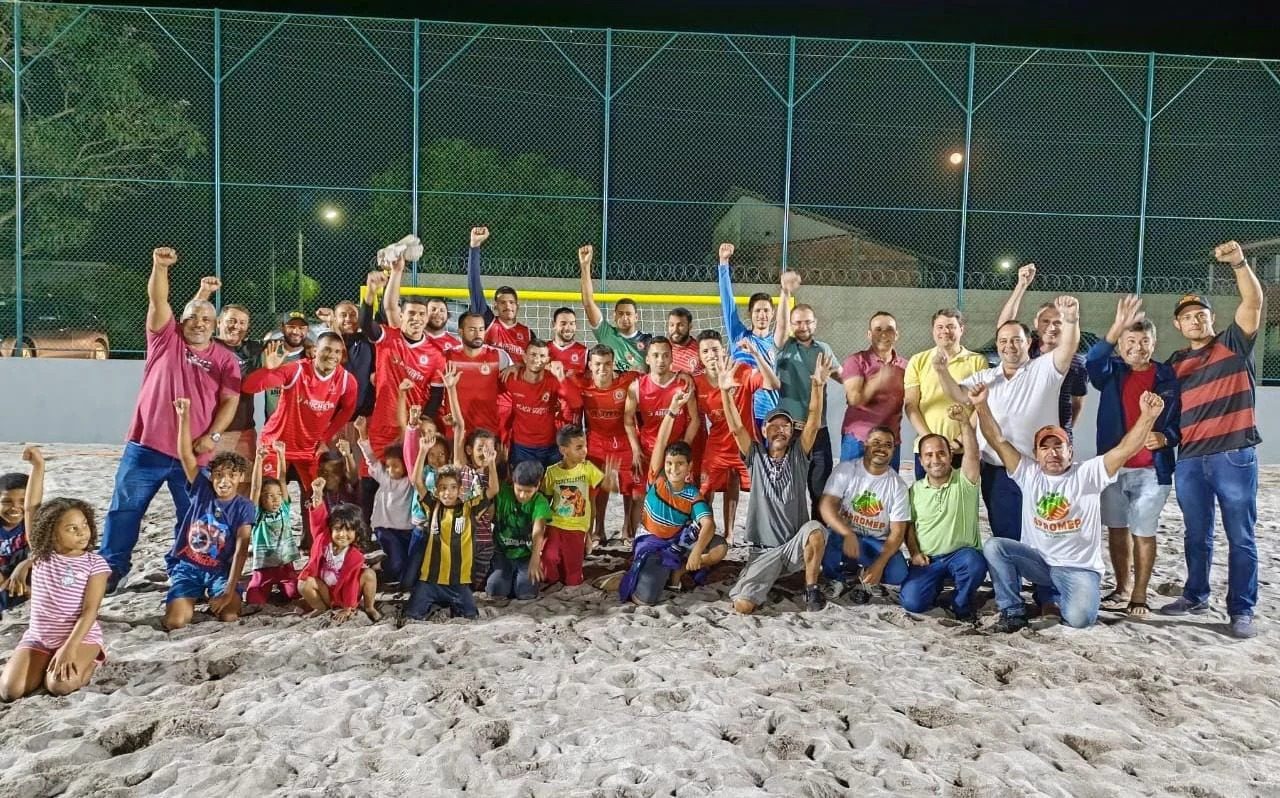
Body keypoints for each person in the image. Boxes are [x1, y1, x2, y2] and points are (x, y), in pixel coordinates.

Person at [100, 247, 242, 593]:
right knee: (124, 513)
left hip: (193, 455)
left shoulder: (225, 359)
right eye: (193, 317)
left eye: (206, 319)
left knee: (196, 518)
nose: (199, 323)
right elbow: (158, 301)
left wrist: (213, 436)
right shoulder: (165, 339)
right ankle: (111, 570)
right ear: (183, 320)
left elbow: (230, 401)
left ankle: (189, 569)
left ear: (215, 326)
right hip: (145, 448)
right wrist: (159, 268)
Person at [973, 383, 1165, 632]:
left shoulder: (1089, 473)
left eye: (1058, 446)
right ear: (1036, 454)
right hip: (1040, 564)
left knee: (1080, 620)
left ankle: (1062, 600)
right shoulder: (1028, 473)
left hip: (1078, 569)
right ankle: (1013, 610)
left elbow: (1125, 448)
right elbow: (997, 439)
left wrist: (1147, 417)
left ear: (1070, 451)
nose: (1052, 453)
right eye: (1045, 447)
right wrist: (980, 405)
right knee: (995, 546)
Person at [1159, 241, 1264, 639]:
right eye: (1187, 317)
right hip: (1190, 460)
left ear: (1212, 318)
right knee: (1196, 533)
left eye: (1201, 314)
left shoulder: (1234, 344)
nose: (1195, 321)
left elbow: (1252, 302)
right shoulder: (1175, 364)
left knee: (1241, 535)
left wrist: (1238, 264)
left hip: (1233, 455)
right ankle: (1195, 594)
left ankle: (1241, 609)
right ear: (1178, 326)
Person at [933, 296, 1081, 541]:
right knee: (1004, 532)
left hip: (1036, 468)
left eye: (1016, 340)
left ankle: (1040, 580)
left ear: (1028, 342)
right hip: (996, 470)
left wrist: (1072, 318)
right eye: (1003, 341)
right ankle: (1009, 579)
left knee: (1042, 532)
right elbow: (959, 395)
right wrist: (941, 371)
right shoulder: (987, 377)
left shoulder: (1045, 369)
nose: (1009, 346)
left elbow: (1068, 347)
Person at [1087, 295, 1180, 618]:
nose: (1137, 347)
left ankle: (1139, 594)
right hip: (1113, 466)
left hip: (1152, 471)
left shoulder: (1168, 376)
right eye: (1130, 341)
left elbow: (1182, 422)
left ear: (1153, 343)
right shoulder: (1111, 371)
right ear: (1121, 345)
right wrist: (1116, 327)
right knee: (1116, 528)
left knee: (1143, 530)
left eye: (1144, 341)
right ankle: (1122, 586)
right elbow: (1092, 362)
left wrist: (1166, 437)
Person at [725, 350, 834, 614]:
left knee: (816, 529)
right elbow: (737, 428)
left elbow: (812, 421)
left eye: (785, 426)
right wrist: (725, 393)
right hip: (764, 551)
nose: (780, 429)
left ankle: (811, 590)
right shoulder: (755, 457)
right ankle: (759, 580)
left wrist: (818, 386)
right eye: (774, 425)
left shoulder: (799, 456)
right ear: (764, 430)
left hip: (794, 547)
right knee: (742, 606)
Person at [0, 446, 110, 701]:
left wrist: (69, 649)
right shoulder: (41, 554)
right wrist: (39, 467)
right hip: (39, 637)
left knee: (58, 686)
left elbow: (89, 612)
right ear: (51, 533)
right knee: (10, 691)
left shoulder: (95, 564)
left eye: (84, 525)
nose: (82, 533)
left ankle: (92, 659)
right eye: (72, 528)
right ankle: (44, 660)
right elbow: (31, 508)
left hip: (79, 637)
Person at [242, 332, 357, 548]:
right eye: (326, 349)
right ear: (315, 351)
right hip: (277, 444)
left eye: (337, 351)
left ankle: (313, 543)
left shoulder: (346, 381)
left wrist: (325, 437)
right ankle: (268, 546)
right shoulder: (296, 370)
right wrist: (268, 370)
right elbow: (249, 387)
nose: (331, 355)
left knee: (316, 496)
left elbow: (347, 410)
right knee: (270, 496)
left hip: (309, 448)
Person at [619, 389, 727, 605]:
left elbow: (708, 524)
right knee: (645, 599)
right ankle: (661, 572)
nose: (673, 468)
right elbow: (660, 443)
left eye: (679, 464)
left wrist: (696, 553)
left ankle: (678, 572)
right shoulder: (657, 480)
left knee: (720, 548)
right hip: (652, 543)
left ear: (689, 467)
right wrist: (672, 412)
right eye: (669, 463)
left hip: (679, 543)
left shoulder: (691, 494)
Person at [164, 398, 256, 631]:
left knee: (229, 615)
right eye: (219, 475)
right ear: (211, 476)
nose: (224, 481)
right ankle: (188, 595)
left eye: (231, 476)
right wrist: (184, 417)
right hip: (189, 566)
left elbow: (241, 550)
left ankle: (219, 594)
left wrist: (228, 591)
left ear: (240, 478)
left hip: (219, 571)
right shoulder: (202, 490)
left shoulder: (243, 507)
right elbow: (186, 455)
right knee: (175, 622)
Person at [900, 405, 988, 620]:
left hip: (961, 555)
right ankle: (937, 584)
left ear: (950, 456)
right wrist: (914, 553)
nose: (935, 459)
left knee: (974, 563)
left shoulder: (965, 481)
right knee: (912, 602)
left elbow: (973, 453)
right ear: (921, 461)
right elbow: (908, 527)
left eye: (941, 453)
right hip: (928, 561)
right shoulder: (914, 490)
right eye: (928, 455)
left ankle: (961, 602)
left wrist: (965, 422)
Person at [362, 254, 445, 477]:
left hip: (410, 429)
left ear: (427, 319)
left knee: (410, 481)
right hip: (381, 425)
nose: (416, 318)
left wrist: (421, 423)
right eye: (411, 313)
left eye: (421, 314)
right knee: (377, 481)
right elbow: (365, 324)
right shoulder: (388, 337)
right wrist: (370, 294)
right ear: (402, 315)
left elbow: (436, 395)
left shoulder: (436, 354)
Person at [692, 333, 779, 541]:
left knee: (762, 494)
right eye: (705, 351)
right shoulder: (696, 383)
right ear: (700, 357)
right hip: (717, 445)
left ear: (723, 350)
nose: (711, 355)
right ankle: (706, 531)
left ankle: (733, 533)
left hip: (746, 445)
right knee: (704, 491)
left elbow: (773, 383)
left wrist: (757, 354)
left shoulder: (742, 371)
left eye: (715, 349)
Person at [773, 272, 839, 517]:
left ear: (815, 323)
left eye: (808, 322)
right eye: (798, 322)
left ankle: (817, 539)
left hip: (819, 431)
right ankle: (790, 540)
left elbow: (844, 377)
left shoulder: (825, 349)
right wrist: (785, 292)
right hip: (791, 432)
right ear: (792, 325)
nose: (803, 326)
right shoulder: (783, 346)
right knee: (790, 491)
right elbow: (779, 326)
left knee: (820, 490)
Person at [995, 263, 1090, 435]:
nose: (1051, 327)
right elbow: (1004, 328)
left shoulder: (1076, 362)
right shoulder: (1026, 352)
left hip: (1055, 438)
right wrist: (1021, 286)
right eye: (1045, 321)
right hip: (1022, 434)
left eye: (1057, 322)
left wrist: (1063, 431)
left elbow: (1078, 402)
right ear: (1036, 323)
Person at [818, 426, 911, 597]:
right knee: (831, 536)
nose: (881, 448)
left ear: (893, 450)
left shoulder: (898, 486)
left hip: (876, 542)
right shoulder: (846, 469)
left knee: (898, 575)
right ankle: (836, 578)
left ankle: (866, 575)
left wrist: (880, 564)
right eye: (876, 442)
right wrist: (847, 533)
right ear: (865, 445)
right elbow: (826, 506)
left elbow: (898, 533)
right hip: (845, 536)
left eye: (888, 445)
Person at [564, 346, 642, 545]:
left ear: (613, 363)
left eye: (607, 363)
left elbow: (650, 376)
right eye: (597, 364)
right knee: (596, 487)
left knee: (630, 487)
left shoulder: (628, 380)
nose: (603, 369)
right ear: (590, 365)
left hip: (624, 439)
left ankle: (628, 529)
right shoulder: (581, 382)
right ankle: (598, 530)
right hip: (596, 441)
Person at [404, 460, 499, 620]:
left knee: (470, 615)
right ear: (436, 490)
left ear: (460, 489)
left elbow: (494, 489)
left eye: (453, 487)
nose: (447, 492)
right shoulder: (432, 506)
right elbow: (417, 482)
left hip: (458, 582)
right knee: (412, 615)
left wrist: (491, 463)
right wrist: (422, 450)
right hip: (430, 581)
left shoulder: (470, 508)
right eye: (443, 488)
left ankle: (446, 605)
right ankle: (436, 604)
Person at [624, 338, 699, 536]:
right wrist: (635, 448)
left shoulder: (684, 384)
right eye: (656, 355)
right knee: (640, 496)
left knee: (680, 494)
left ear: (672, 358)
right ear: (647, 358)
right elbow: (628, 421)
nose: (661, 360)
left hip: (675, 453)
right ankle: (637, 540)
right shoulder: (636, 387)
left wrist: (684, 445)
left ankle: (677, 538)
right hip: (648, 450)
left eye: (666, 355)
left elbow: (695, 420)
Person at [903, 309, 989, 479]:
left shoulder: (977, 361)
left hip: (963, 449)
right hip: (928, 450)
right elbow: (911, 405)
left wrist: (959, 440)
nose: (945, 331)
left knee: (962, 503)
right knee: (927, 503)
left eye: (951, 326)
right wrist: (930, 440)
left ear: (961, 329)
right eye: (940, 327)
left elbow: (980, 407)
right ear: (933, 331)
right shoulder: (918, 360)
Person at [537, 426, 620, 588]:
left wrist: (611, 481)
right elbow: (544, 498)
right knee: (549, 557)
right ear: (564, 450)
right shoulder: (552, 472)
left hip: (577, 529)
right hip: (555, 525)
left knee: (573, 578)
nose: (584, 451)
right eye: (579, 447)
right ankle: (552, 581)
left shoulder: (587, 468)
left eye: (585, 446)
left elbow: (610, 488)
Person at [193, 278, 261, 470]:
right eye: (231, 321)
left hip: (243, 432)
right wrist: (204, 292)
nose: (236, 326)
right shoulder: (205, 345)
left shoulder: (254, 350)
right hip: (207, 431)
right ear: (219, 322)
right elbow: (192, 319)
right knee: (207, 487)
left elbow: (291, 345)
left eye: (242, 322)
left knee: (243, 487)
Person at [297, 481, 380, 623]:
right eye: (338, 529)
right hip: (326, 592)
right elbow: (317, 520)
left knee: (369, 574)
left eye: (348, 530)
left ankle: (369, 607)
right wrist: (317, 493)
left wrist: (348, 607)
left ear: (356, 532)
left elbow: (351, 583)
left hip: (345, 594)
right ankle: (321, 608)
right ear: (331, 529)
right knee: (303, 583)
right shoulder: (323, 540)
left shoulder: (355, 556)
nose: (342, 534)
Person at [717, 242, 779, 426]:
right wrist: (723, 263)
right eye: (758, 311)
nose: (762, 315)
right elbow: (727, 301)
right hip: (743, 414)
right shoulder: (739, 336)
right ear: (750, 314)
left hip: (770, 416)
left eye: (766, 311)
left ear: (772, 314)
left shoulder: (777, 343)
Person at [840, 311, 907, 469]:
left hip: (890, 442)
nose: (884, 334)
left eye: (889, 329)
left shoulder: (906, 366)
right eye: (878, 329)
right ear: (869, 334)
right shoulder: (856, 361)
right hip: (858, 440)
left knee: (886, 492)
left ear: (897, 334)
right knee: (851, 491)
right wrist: (877, 380)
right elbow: (854, 399)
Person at [354, 415, 415, 589]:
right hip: (385, 528)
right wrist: (362, 433)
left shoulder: (411, 480)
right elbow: (371, 459)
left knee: (404, 568)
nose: (390, 469)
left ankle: (381, 561)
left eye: (395, 465)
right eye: (388, 466)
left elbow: (413, 456)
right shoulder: (384, 477)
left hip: (407, 530)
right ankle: (376, 568)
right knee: (396, 564)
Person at [244, 441, 301, 607]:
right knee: (254, 599)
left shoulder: (283, 508)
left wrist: (281, 455)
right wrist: (259, 460)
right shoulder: (257, 515)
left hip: (285, 565)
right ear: (261, 499)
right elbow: (255, 487)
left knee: (294, 594)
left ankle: (286, 585)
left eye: (277, 495)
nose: (275, 498)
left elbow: (282, 479)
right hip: (264, 567)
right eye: (269, 495)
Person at [502, 338, 574, 468]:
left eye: (542, 356)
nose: (537, 359)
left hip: (551, 446)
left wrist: (562, 378)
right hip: (522, 448)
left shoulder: (553, 380)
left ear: (547, 360)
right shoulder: (512, 378)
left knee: (553, 487)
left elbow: (576, 403)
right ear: (524, 357)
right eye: (533, 355)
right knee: (524, 486)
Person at [487, 461, 552, 601]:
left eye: (528, 491)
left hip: (525, 555)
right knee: (496, 589)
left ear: (537, 486)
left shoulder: (540, 502)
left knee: (526, 592)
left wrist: (535, 558)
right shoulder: (503, 493)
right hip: (502, 553)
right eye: (519, 490)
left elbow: (538, 529)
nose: (522, 495)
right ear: (513, 483)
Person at [578, 244, 649, 372]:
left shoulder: (647, 341)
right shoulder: (606, 333)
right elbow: (588, 302)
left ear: (636, 317)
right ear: (614, 316)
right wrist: (585, 266)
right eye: (620, 313)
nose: (624, 317)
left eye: (628, 314)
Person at [442, 310, 510, 441]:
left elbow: (514, 382)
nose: (478, 334)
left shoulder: (499, 356)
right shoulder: (447, 357)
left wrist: (517, 366)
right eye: (472, 329)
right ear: (461, 332)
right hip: (455, 431)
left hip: (488, 431)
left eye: (481, 329)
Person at [467, 226, 531, 363]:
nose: (508, 306)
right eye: (502, 302)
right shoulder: (488, 321)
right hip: (488, 382)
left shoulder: (528, 334)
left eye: (511, 302)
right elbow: (474, 285)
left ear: (517, 306)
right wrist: (475, 246)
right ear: (495, 306)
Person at [260, 311, 312, 421]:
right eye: (291, 327)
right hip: (274, 426)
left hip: (303, 426)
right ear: (282, 328)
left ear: (307, 330)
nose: (296, 331)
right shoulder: (268, 352)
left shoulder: (313, 357)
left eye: (301, 327)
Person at [0, 469, 30, 618]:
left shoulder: (33, 525)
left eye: (23, 501)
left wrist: (24, 565)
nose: (15, 507)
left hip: (25, 580)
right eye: (6, 501)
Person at [548, 306, 589, 379]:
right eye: (563, 324)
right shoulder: (544, 350)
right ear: (553, 325)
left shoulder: (585, 352)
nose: (568, 328)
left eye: (571, 323)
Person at [666, 308, 701, 375]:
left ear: (690, 326)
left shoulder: (700, 351)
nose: (675, 329)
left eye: (681, 325)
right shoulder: (662, 348)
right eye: (671, 325)